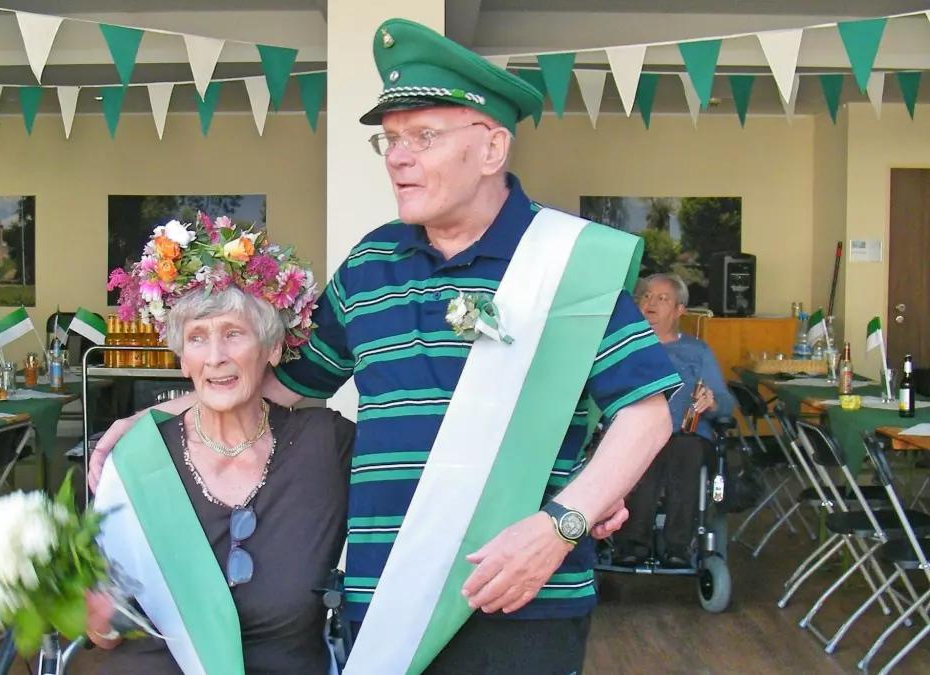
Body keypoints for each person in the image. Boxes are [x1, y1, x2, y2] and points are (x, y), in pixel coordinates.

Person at [91, 19, 680, 674]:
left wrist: (564, 522)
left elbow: (647, 412)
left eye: (424, 136)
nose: (398, 157)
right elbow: (279, 385)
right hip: (385, 602)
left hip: (523, 599)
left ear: (492, 148)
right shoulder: (370, 264)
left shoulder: (563, 263)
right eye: (390, 139)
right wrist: (156, 417)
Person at [88, 218, 354, 674]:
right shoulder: (138, 460)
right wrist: (90, 612)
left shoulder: (325, 446)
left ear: (272, 348)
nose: (215, 357)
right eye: (197, 338)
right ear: (182, 357)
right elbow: (107, 633)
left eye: (234, 333)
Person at [614, 273, 737, 568]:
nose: (651, 303)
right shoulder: (628, 348)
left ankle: (677, 546)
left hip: (687, 436)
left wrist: (712, 402)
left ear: (680, 310)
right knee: (643, 452)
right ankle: (632, 544)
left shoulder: (697, 351)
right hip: (638, 434)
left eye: (662, 298)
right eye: (646, 296)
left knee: (686, 451)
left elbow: (727, 405)